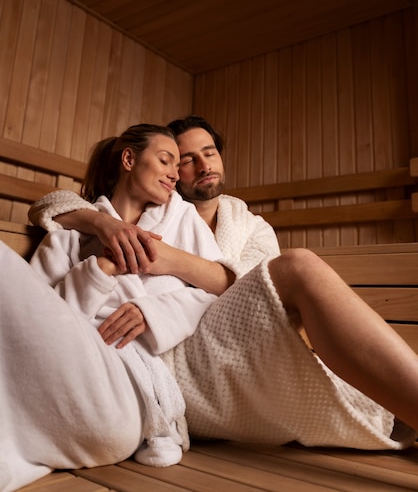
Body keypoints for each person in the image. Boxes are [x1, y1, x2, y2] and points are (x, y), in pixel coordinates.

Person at [28, 118, 418, 452]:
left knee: (298, 267)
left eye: (209, 152)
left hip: (232, 334)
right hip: (159, 357)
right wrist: (102, 225)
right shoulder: (133, 212)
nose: (198, 166)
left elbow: (253, 291)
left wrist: (166, 267)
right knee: (299, 266)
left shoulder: (242, 224)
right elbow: (53, 207)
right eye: (181, 159)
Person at [0, 123, 234, 492]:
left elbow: (215, 290)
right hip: (56, 391)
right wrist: (101, 268)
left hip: (125, 396)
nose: (176, 172)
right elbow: (33, 328)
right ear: (129, 159)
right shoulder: (70, 235)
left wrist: (151, 313)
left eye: (178, 164)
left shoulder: (182, 218)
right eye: (166, 160)